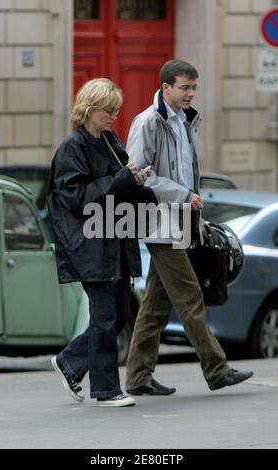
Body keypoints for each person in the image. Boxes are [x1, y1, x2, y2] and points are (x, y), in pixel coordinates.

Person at [125, 59, 253, 395]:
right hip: (158, 222)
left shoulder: (186, 121)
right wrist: (183, 195)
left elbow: (187, 173)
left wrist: (197, 221)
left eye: (194, 88)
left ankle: (137, 377)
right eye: (185, 87)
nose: (190, 94)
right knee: (190, 294)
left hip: (181, 221)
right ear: (165, 87)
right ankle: (216, 369)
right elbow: (139, 174)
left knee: (155, 303)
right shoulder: (147, 122)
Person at [47, 78, 155, 407]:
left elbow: (118, 187)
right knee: (106, 316)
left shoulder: (110, 141)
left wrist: (139, 184)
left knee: (119, 313)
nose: (113, 116)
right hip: (90, 243)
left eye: (116, 110)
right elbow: (74, 197)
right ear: (90, 110)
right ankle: (106, 389)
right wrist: (121, 180)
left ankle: (70, 361)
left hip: (116, 240)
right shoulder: (72, 148)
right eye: (108, 111)